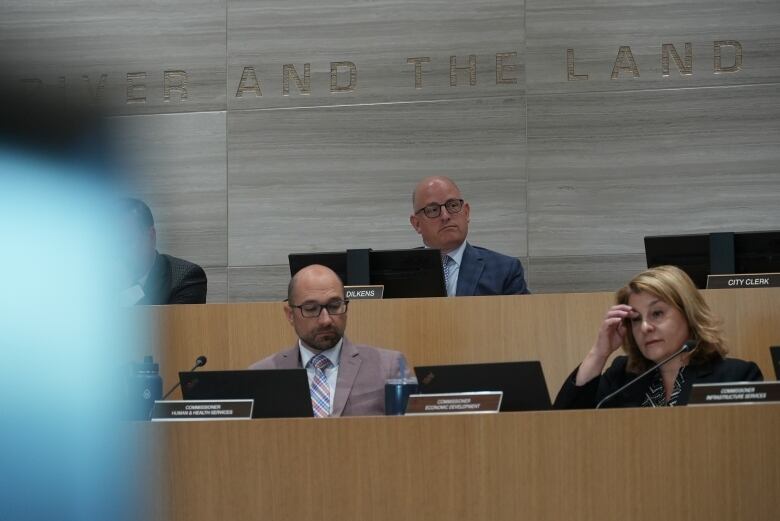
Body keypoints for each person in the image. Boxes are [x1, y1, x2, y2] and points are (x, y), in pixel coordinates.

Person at [554, 265, 763, 409]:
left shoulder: (736, 377)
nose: (644, 327)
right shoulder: (621, 377)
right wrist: (599, 353)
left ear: (688, 314)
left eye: (657, 313)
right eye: (635, 319)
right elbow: (565, 427)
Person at [250, 264, 409, 417]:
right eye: (311, 309)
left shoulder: (390, 366)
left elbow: (413, 433)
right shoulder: (261, 376)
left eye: (334, 306)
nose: (325, 320)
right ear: (290, 315)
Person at [409, 176, 529, 296]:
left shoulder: (505, 271)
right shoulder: (396, 269)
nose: (445, 216)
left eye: (453, 205)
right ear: (417, 224)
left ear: (466, 213)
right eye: (433, 210)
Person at [119, 197, 207, 305]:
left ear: (151, 237)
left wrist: (127, 288)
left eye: (125, 242)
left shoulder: (185, 277)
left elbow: (173, 321)